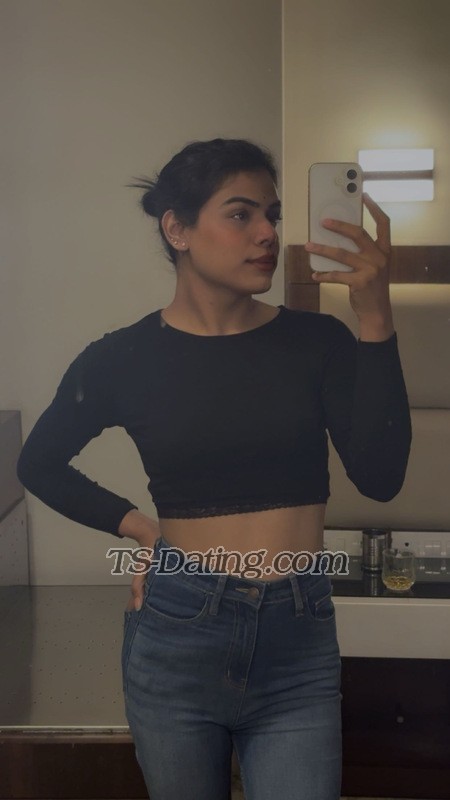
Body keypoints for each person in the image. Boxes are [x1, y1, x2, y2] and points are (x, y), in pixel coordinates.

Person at [16, 138, 411, 800]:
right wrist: (142, 530)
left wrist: (375, 315)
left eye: (272, 214)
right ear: (177, 229)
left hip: (296, 639)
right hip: (177, 631)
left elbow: (381, 476)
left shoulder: (318, 343)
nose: (267, 233)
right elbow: (39, 463)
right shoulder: (122, 359)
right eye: (240, 213)